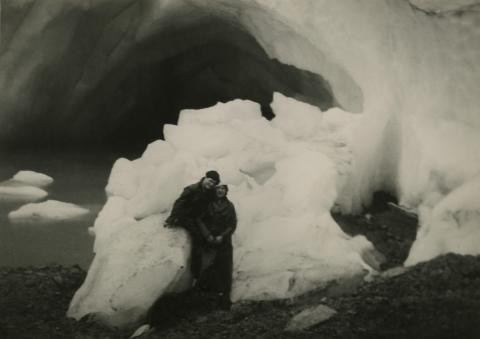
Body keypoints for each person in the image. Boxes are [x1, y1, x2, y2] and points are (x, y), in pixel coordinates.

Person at [164, 170, 220, 284]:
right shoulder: (191, 189)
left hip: (198, 217)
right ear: (205, 178)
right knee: (198, 238)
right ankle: (196, 274)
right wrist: (172, 217)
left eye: (214, 183)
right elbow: (180, 202)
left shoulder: (210, 192)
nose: (211, 184)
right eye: (210, 181)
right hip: (186, 216)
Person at [196, 183, 237, 309]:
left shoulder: (229, 206)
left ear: (226, 191)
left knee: (225, 269)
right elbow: (199, 219)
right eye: (218, 188)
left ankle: (224, 300)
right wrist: (207, 235)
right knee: (207, 267)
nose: (220, 191)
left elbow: (232, 224)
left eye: (223, 189)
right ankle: (207, 300)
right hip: (208, 241)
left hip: (224, 242)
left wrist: (222, 236)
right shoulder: (208, 204)